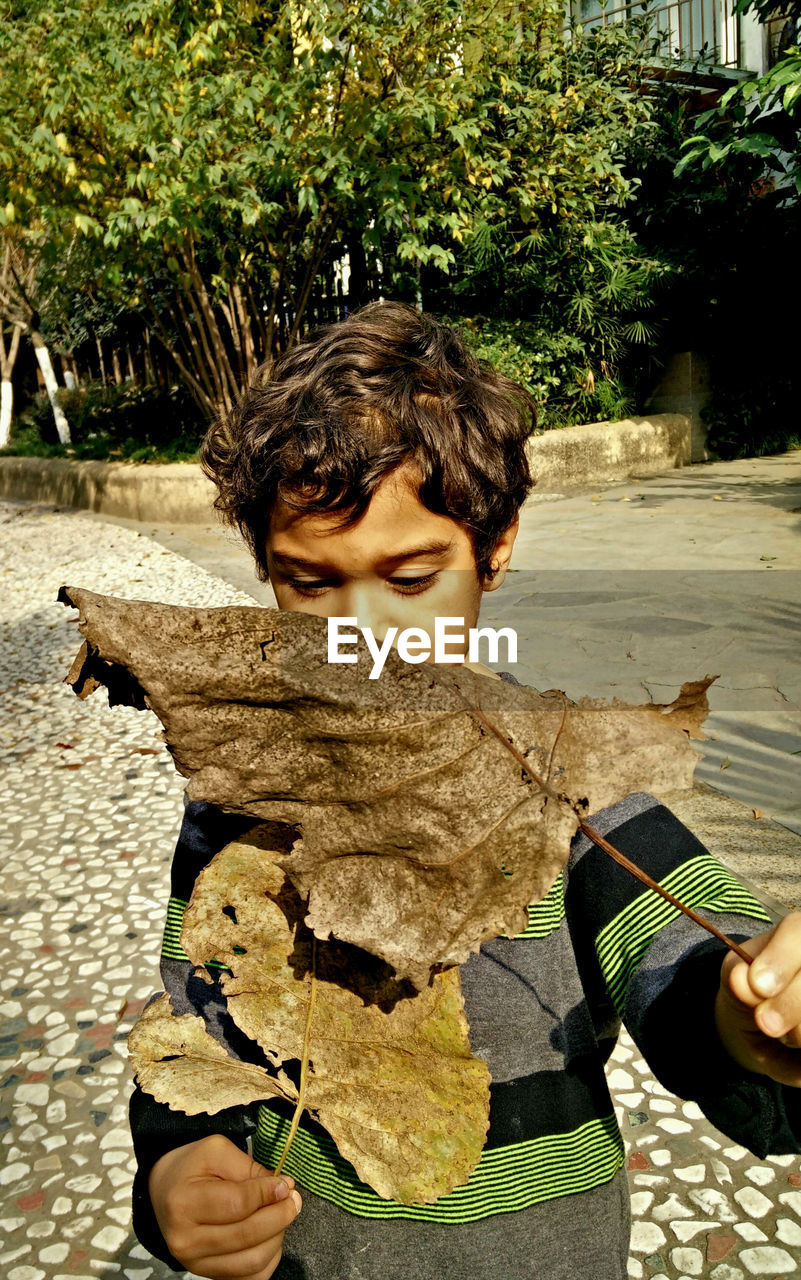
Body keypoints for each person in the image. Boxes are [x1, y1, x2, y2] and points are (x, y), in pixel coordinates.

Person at [130, 301, 801, 1280]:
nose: (362, 639)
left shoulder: (573, 781)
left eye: (410, 577)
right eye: (309, 583)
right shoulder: (238, 795)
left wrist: (755, 1011)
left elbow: (696, 970)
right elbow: (194, 1015)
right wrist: (174, 1162)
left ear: (493, 545)